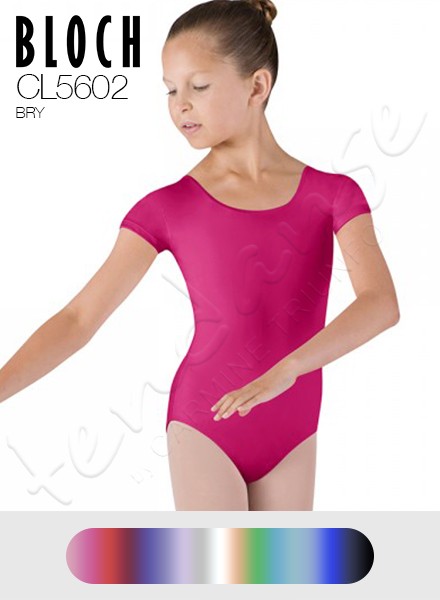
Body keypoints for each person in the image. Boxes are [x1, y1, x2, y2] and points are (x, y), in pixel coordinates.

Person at [0, 0, 399, 511]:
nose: (180, 105)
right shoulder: (168, 207)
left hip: (294, 426)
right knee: (223, 563)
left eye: (199, 87)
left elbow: (381, 304)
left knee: (283, 566)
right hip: (205, 422)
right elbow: (79, 319)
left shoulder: (333, 194)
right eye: (170, 90)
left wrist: (290, 369)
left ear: (257, 86)